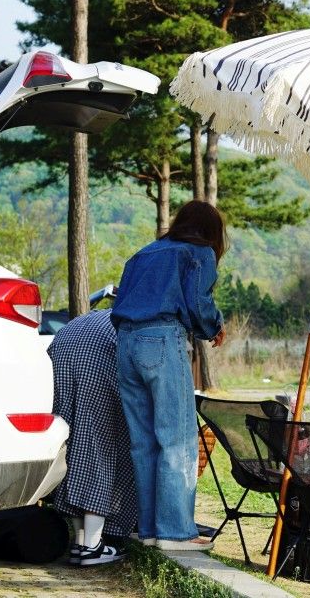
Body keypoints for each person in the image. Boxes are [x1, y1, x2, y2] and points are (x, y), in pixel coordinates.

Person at [112, 200, 227, 551]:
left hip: (124, 342)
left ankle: (149, 530)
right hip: (161, 339)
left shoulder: (143, 254)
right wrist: (214, 325)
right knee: (176, 438)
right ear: (211, 231)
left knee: (143, 443)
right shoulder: (198, 252)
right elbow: (198, 301)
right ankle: (176, 532)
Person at [47, 309, 137, 566]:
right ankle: (92, 546)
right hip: (95, 358)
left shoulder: (98, 315)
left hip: (61, 348)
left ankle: (80, 541)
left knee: (70, 445)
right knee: (101, 445)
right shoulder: (137, 321)